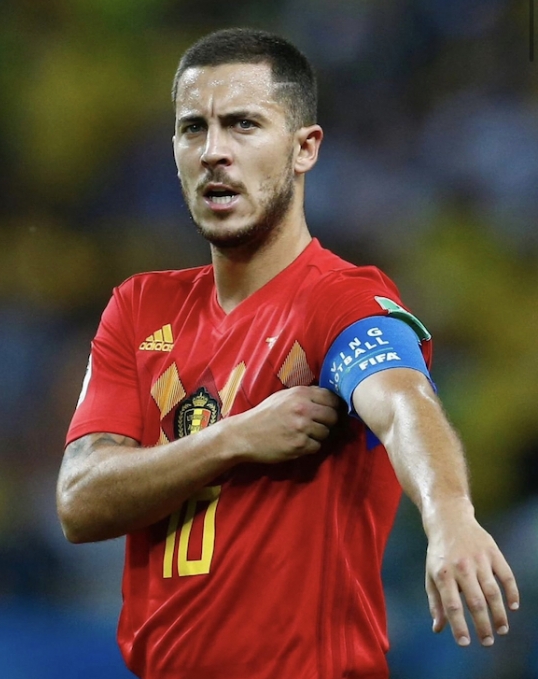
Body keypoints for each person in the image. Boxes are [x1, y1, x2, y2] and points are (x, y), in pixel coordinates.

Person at [57, 27, 519, 679]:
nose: (214, 152)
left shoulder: (338, 301)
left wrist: (449, 514)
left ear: (305, 148)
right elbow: (79, 501)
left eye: (243, 125)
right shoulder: (139, 308)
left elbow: (402, 403)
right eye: (193, 129)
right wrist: (232, 438)